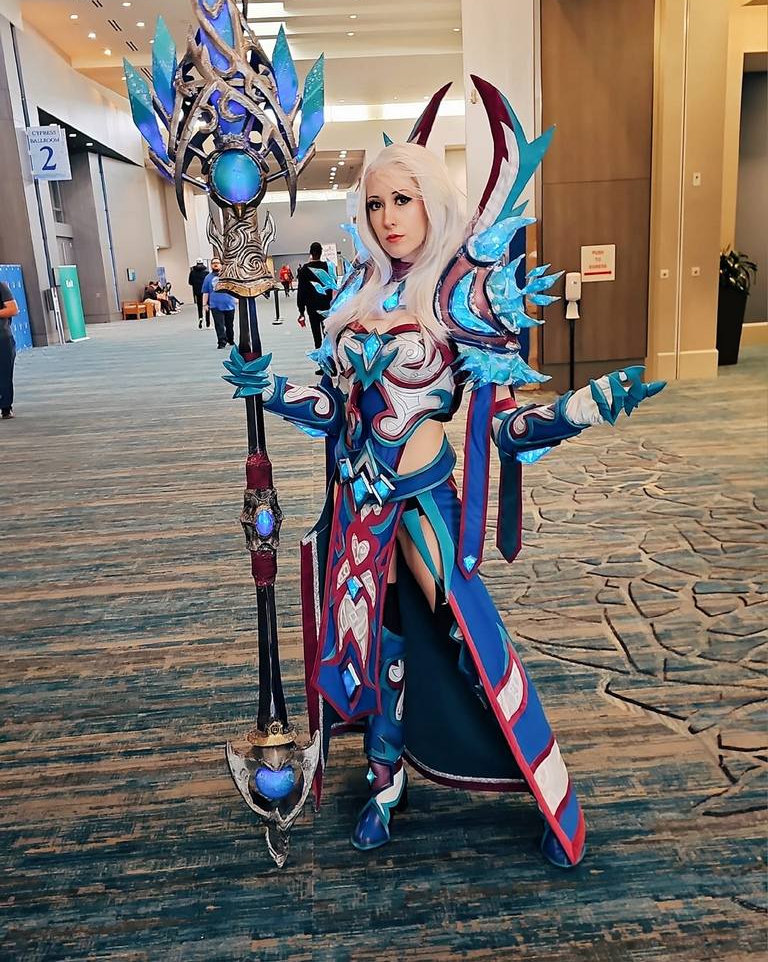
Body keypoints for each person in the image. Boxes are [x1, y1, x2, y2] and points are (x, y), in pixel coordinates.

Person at [222, 82, 665, 869]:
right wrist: (275, 389)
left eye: (404, 198)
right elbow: (335, 407)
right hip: (361, 508)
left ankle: (546, 788)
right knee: (380, 648)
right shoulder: (356, 302)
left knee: (469, 642)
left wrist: (582, 408)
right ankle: (385, 782)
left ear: (431, 203)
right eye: (377, 201)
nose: (389, 215)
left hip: (423, 501)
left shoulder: (458, 302)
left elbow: (502, 424)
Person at [296, 243, 332, 350]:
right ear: (321, 252)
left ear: (310, 253)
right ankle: (330, 360)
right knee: (328, 335)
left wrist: (301, 311)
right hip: (327, 306)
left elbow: (301, 292)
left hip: (312, 308)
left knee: (317, 336)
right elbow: (333, 287)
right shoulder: (328, 267)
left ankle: (321, 361)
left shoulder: (304, 270)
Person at [202, 257, 237, 349]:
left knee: (229, 324)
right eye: (213, 263)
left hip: (229, 303)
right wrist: (204, 304)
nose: (215, 264)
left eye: (217, 263)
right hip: (215, 305)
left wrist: (236, 299)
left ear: (221, 264)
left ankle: (230, 339)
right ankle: (221, 341)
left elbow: (234, 288)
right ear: (211, 265)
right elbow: (206, 292)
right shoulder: (208, 278)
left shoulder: (228, 276)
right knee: (219, 324)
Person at [0, 280, 19, 419]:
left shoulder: (1, 287)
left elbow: (13, 309)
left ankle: (6, 407)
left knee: (4, 375)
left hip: (2, 338)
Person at [188, 259, 210, 329]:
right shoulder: (206, 272)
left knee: (199, 306)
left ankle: (200, 318)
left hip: (197, 291)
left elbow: (190, 282)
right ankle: (208, 322)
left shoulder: (192, 272)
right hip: (205, 291)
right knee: (206, 305)